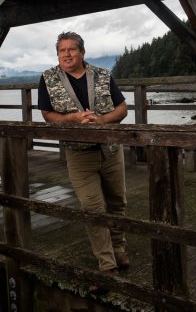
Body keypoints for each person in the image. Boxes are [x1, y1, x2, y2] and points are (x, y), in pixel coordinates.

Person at [38, 31, 129, 275]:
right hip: (78, 155)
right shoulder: (47, 79)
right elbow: (48, 115)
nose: (66, 54)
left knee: (117, 202)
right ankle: (107, 262)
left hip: (110, 150)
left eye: (71, 49)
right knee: (92, 208)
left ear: (82, 52)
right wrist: (74, 119)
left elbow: (122, 109)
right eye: (61, 50)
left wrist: (101, 121)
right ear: (57, 54)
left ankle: (119, 248)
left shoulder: (102, 75)